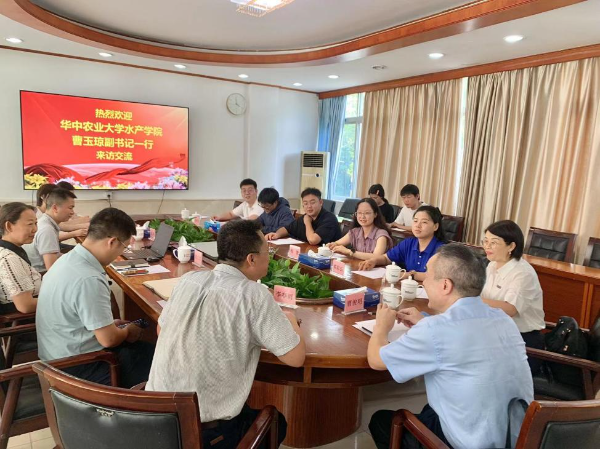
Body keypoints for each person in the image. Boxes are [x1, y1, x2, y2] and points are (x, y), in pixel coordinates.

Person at [146, 219, 305, 448]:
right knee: (276, 423)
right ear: (251, 259)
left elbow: (161, 329)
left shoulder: (189, 279)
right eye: (267, 252)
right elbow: (295, 358)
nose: (269, 257)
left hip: (155, 421)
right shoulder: (254, 294)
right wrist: (291, 321)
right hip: (203, 434)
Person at [367, 244, 533, 449]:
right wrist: (424, 323)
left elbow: (376, 361)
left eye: (428, 275)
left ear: (445, 285)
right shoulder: (503, 319)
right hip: (518, 437)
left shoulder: (435, 329)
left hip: (469, 443)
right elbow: (466, 338)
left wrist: (381, 328)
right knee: (430, 409)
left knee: (383, 421)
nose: (423, 281)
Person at [35, 207, 154, 388]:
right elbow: (109, 340)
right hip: (76, 366)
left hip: (56, 355)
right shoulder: (89, 278)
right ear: (112, 242)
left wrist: (109, 324)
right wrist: (128, 330)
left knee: (146, 350)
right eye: (124, 247)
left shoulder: (67, 260)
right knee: (158, 361)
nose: (120, 253)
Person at [481, 220, 545, 373]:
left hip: (521, 342)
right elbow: (485, 298)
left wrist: (472, 300)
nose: (487, 246)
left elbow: (510, 309)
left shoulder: (522, 273)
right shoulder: (492, 265)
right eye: (486, 241)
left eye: (494, 242)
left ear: (511, 246)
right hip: (497, 334)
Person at [359, 206, 446, 281]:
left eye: (424, 222)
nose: (418, 225)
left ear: (435, 226)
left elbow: (439, 277)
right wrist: (373, 261)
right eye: (415, 221)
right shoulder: (409, 243)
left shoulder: (442, 250)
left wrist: (409, 275)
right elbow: (386, 258)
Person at [0, 203, 41, 313]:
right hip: (30, 318)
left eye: (36, 223)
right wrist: (62, 299)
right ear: (9, 226)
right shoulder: (9, 258)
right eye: (30, 224)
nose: (35, 229)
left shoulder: (12, 249)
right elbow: (26, 306)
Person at [24, 188, 77, 273]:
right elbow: (52, 269)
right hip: (41, 274)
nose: (72, 212)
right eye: (70, 208)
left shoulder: (45, 222)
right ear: (55, 208)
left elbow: (55, 255)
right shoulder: (47, 230)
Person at [265, 188, 341, 245]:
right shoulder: (305, 217)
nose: (309, 206)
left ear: (320, 202)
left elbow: (313, 240)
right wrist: (277, 234)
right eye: (305, 203)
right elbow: (287, 229)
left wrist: (307, 223)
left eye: (312, 202)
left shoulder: (329, 218)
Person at [326, 198, 393, 260]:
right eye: (359, 213)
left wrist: (350, 252)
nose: (362, 216)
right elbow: (337, 243)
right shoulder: (355, 232)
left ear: (375, 214)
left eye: (367, 213)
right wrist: (332, 245)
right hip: (358, 266)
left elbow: (377, 257)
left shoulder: (381, 235)